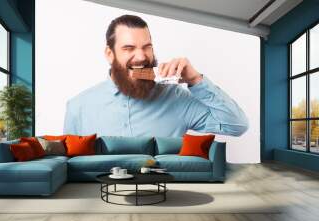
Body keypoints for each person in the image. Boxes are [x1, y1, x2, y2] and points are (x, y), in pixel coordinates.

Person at [63, 14, 248, 137]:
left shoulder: (176, 98)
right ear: (109, 54)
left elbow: (237, 126)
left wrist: (195, 80)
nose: (142, 56)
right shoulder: (78, 107)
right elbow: (70, 166)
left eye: (147, 47)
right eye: (129, 48)